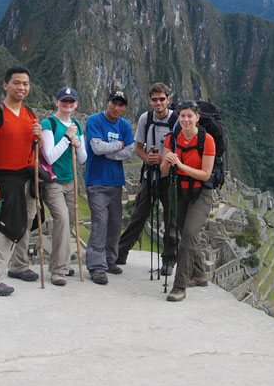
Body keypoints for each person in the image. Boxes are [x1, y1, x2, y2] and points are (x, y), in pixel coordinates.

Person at [0, 66, 41, 296]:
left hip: (27, 176)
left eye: (25, 83)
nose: (21, 87)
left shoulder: (30, 114)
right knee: (6, 228)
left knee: (26, 222)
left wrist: (38, 137)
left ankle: (17, 267)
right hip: (6, 177)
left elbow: (35, 149)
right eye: (16, 83)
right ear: (6, 85)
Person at [116, 82, 178, 274]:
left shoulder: (176, 120)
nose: (158, 103)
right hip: (150, 174)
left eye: (162, 99)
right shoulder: (146, 118)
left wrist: (164, 160)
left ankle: (169, 260)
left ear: (168, 99)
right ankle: (120, 252)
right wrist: (148, 159)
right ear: (150, 101)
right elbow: (139, 148)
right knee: (138, 215)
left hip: (170, 177)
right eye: (154, 99)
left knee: (171, 219)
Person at [161, 101, 215, 302]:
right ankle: (199, 274)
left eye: (189, 116)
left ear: (197, 117)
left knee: (189, 235)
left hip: (201, 193)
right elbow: (164, 172)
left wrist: (181, 165)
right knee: (187, 233)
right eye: (182, 116)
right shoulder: (172, 139)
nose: (185, 120)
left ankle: (180, 285)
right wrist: (166, 162)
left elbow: (205, 174)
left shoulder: (207, 140)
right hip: (179, 191)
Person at [84, 90, 135, 284]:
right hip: (96, 181)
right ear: (107, 103)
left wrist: (109, 152)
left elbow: (129, 151)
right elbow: (97, 148)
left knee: (114, 223)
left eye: (121, 105)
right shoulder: (94, 120)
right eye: (114, 103)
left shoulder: (125, 125)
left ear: (124, 108)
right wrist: (119, 144)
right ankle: (97, 267)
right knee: (100, 222)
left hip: (116, 182)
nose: (116, 108)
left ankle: (109, 260)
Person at [40, 86, 87, 286]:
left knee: (70, 222)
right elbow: (49, 156)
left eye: (71, 101)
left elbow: (83, 159)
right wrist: (67, 138)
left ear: (76, 104)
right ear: (57, 102)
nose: (67, 104)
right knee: (61, 219)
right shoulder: (48, 123)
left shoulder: (77, 124)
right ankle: (58, 270)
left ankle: (62, 264)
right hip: (54, 182)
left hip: (71, 181)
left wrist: (78, 144)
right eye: (64, 101)